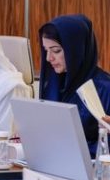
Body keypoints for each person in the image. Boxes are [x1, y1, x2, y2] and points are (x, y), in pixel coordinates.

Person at [40, 14, 110, 155]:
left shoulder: (105, 88)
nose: (48, 58)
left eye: (56, 51)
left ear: (76, 50)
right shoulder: (53, 83)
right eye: (46, 50)